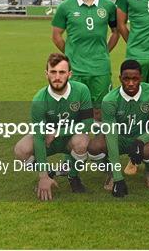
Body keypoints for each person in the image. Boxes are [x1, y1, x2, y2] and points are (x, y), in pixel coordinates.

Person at [13, 53, 92, 201]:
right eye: (53, 72)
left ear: (69, 74)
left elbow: (88, 123)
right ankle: (48, 173)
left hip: (69, 139)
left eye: (62, 72)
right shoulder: (39, 100)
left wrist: (58, 133)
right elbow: (38, 136)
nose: (57, 77)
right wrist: (42, 176)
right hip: (46, 141)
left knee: (83, 142)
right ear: (46, 74)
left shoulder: (82, 90)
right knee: (21, 150)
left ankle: (73, 175)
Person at [51, 0, 119, 121]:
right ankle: (77, 145)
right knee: (74, 110)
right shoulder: (66, 7)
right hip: (76, 69)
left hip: (100, 68)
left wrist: (104, 51)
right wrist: (70, 53)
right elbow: (56, 35)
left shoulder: (108, 6)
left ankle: (99, 145)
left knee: (101, 111)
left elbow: (116, 32)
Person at [87, 60, 149, 197]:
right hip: (118, 138)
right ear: (120, 78)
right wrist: (118, 177)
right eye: (126, 79)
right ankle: (110, 173)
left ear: (141, 78)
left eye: (135, 79)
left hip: (140, 137)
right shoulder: (109, 100)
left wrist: (140, 140)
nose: (131, 83)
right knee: (94, 147)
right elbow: (111, 135)